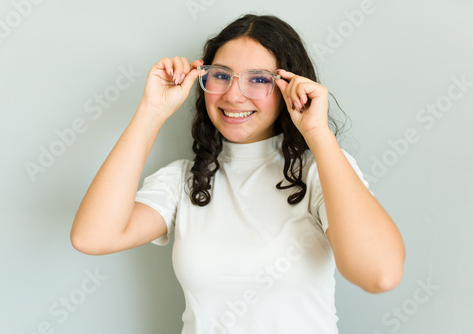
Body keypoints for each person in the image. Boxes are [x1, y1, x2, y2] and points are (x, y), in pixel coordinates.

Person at [70, 14, 405, 334]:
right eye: (221, 75)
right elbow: (93, 237)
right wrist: (151, 112)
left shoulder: (318, 171)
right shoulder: (184, 181)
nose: (233, 94)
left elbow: (380, 274)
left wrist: (317, 134)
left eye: (259, 79)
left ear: (289, 87)